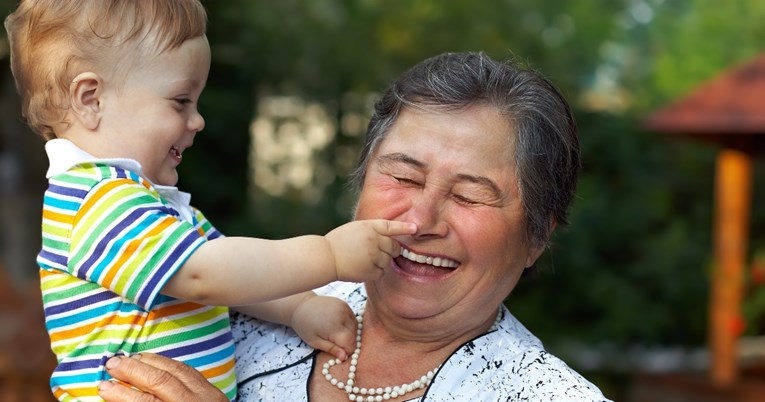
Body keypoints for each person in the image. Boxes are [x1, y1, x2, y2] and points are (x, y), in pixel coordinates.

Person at [97, 51, 614, 401]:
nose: (419, 221)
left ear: (538, 237)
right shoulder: (240, 305)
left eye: (468, 195)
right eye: (403, 177)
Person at [3, 1, 417, 401]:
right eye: (181, 101)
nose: (198, 121)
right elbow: (207, 276)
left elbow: (234, 279)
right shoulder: (99, 204)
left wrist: (298, 309)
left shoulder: (145, 202)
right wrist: (328, 255)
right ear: (90, 98)